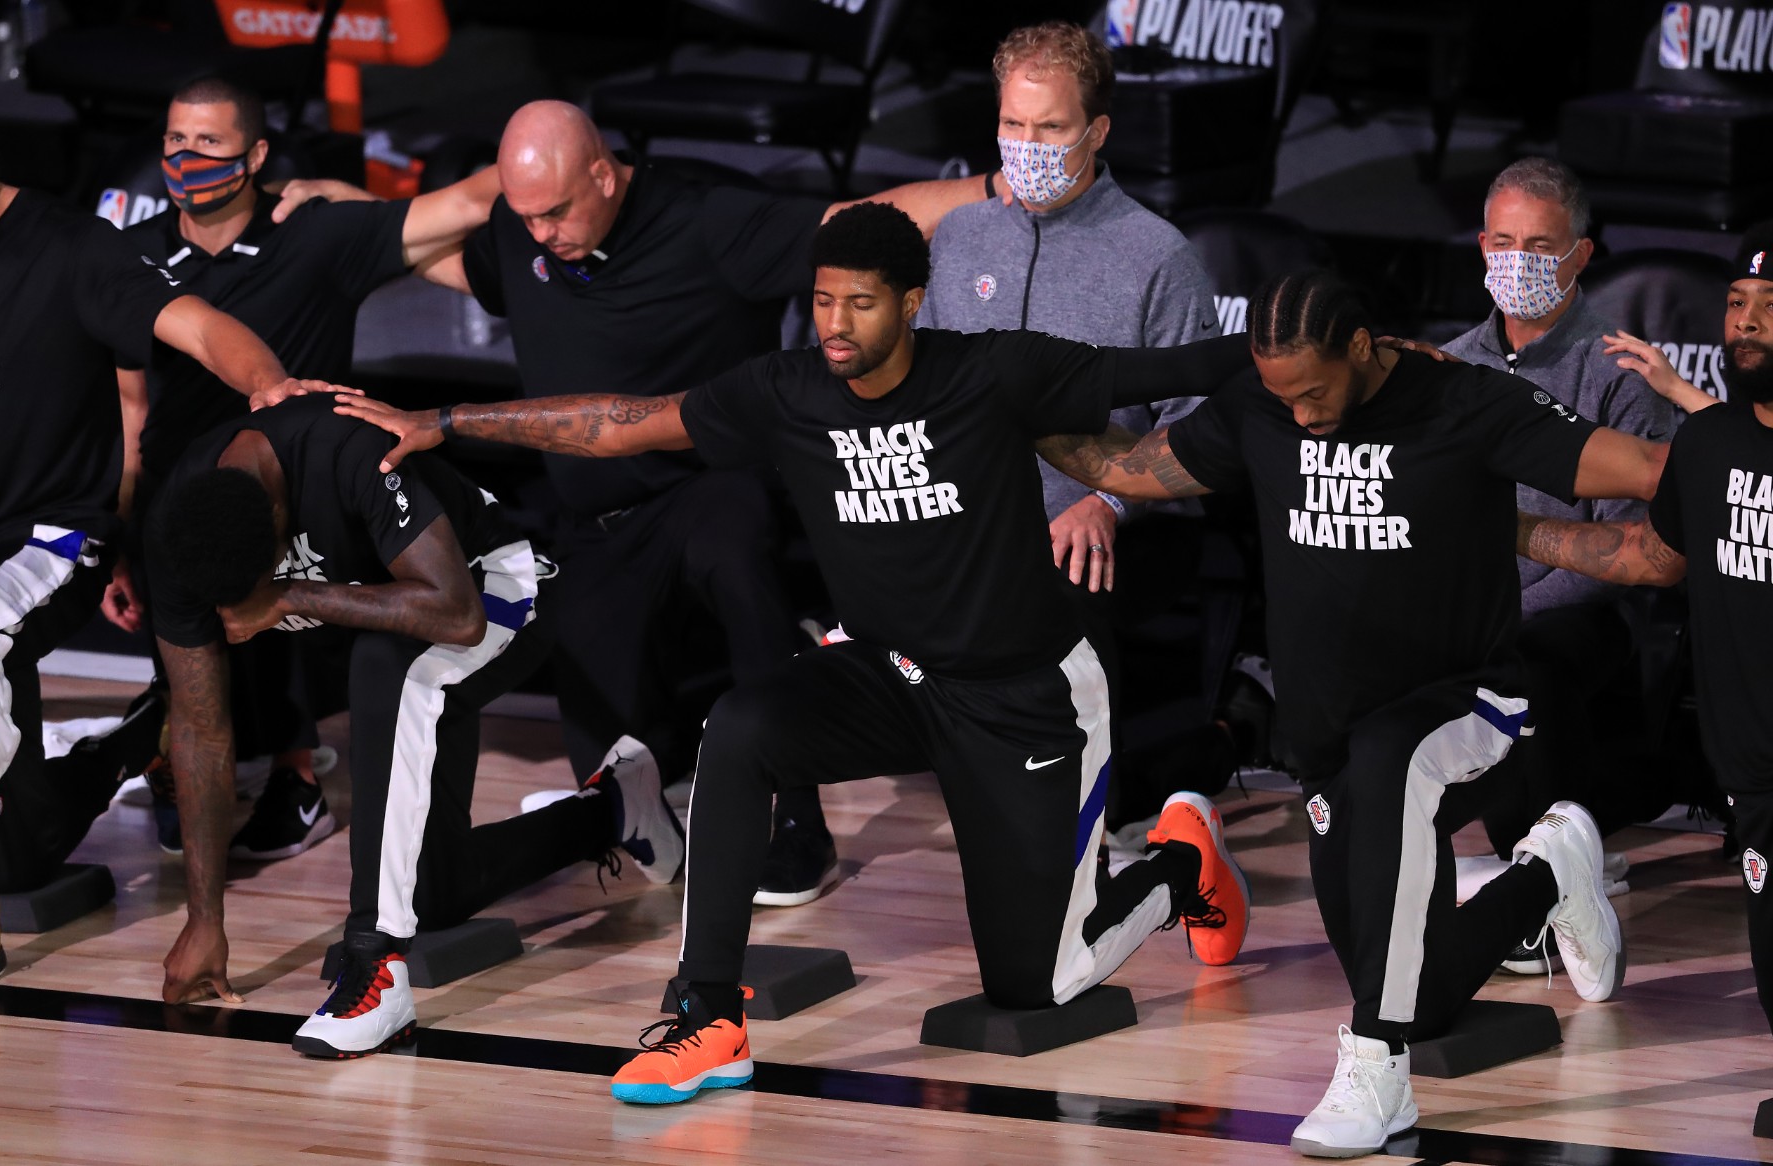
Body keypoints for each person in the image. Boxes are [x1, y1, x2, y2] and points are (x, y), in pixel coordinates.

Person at [334, 201, 1257, 1105]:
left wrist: (1305, 357)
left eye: (860, 302)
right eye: (822, 301)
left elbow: (1166, 368)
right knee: (740, 725)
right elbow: (624, 420)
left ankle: (1180, 865)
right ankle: (707, 1017)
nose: (836, 324)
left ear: (912, 301)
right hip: (891, 674)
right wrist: (447, 422)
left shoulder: (992, 371)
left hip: (1026, 694)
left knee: (1039, 984)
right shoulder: (789, 392)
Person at [275, 100, 1007, 906]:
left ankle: (798, 824)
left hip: (703, 489)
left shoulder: (708, 220)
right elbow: (445, 261)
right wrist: (337, 212)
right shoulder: (527, 234)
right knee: (615, 761)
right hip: (594, 526)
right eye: (524, 218)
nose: (540, 232)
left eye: (555, 211)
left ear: (602, 171)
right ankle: (653, 794)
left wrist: (1001, 185)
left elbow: (859, 219)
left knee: (736, 550)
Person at [1034, 269, 1666, 1157]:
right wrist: (1016, 409)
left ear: (1363, 349)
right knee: (1422, 983)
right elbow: (1129, 470)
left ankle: (1377, 1069)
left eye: (1315, 392)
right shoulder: (1263, 404)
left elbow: (1646, 468)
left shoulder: (1467, 401)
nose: (1298, 414)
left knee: (1390, 764)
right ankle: (1551, 870)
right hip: (1329, 735)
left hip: (1468, 701)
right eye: (1281, 394)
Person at [0, 67, 329, 1005]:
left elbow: (198, 325)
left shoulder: (72, 251)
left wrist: (268, 381)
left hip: (49, 538)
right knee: (23, 843)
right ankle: (143, 741)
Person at [147, 394, 685, 1057]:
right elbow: (202, 731)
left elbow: (457, 614)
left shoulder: (348, 452)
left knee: (386, 665)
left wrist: (289, 596)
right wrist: (205, 918)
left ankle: (375, 966)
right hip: (407, 638)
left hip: (503, 585)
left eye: (261, 585)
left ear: (281, 522)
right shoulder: (181, 531)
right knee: (431, 888)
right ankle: (614, 809)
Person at [111, 75, 503, 860]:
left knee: (276, 587)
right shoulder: (134, 254)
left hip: (301, 495)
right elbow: (131, 414)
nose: (187, 159)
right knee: (186, 640)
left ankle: (297, 776)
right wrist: (120, 540)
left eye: (209, 144)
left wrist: (348, 191)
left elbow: (479, 198)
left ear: (256, 155)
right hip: (177, 501)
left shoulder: (318, 233)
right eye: (174, 142)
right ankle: (180, 754)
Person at [914, 20, 1231, 825]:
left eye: (1050, 128)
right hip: (975, 514)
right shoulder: (959, 237)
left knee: (1063, 574)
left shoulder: (1157, 256)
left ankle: (1088, 818)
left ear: (1096, 131)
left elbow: (1200, 429)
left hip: (1115, 519)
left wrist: (1110, 502)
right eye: (1012, 125)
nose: (1027, 145)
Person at [1516, 231, 1773, 1133]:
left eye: (1771, 310)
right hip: (1750, 755)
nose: (1749, 324)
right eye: (1739, 308)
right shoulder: (1710, 445)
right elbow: (1640, 552)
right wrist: (1507, 528)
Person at [1439, 158, 1672, 958]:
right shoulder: (1451, 365)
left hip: (1578, 614)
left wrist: (1503, 615)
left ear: (1581, 254)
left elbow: (1623, 546)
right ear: (1479, 245)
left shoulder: (1617, 370)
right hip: (1466, 615)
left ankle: (1561, 867)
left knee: (1529, 659)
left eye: (1540, 244)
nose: (1518, 261)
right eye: (1503, 242)